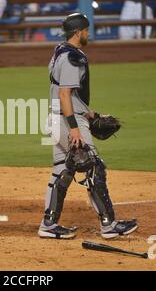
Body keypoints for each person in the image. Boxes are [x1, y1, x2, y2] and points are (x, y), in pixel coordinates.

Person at [38, 13, 138, 239]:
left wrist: (91, 114)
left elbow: (68, 94)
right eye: (86, 30)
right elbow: (64, 94)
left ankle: (48, 224)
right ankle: (109, 225)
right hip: (67, 121)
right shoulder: (73, 57)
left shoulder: (59, 51)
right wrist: (75, 128)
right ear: (78, 32)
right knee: (93, 166)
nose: (88, 34)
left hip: (56, 119)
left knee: (61, 170)